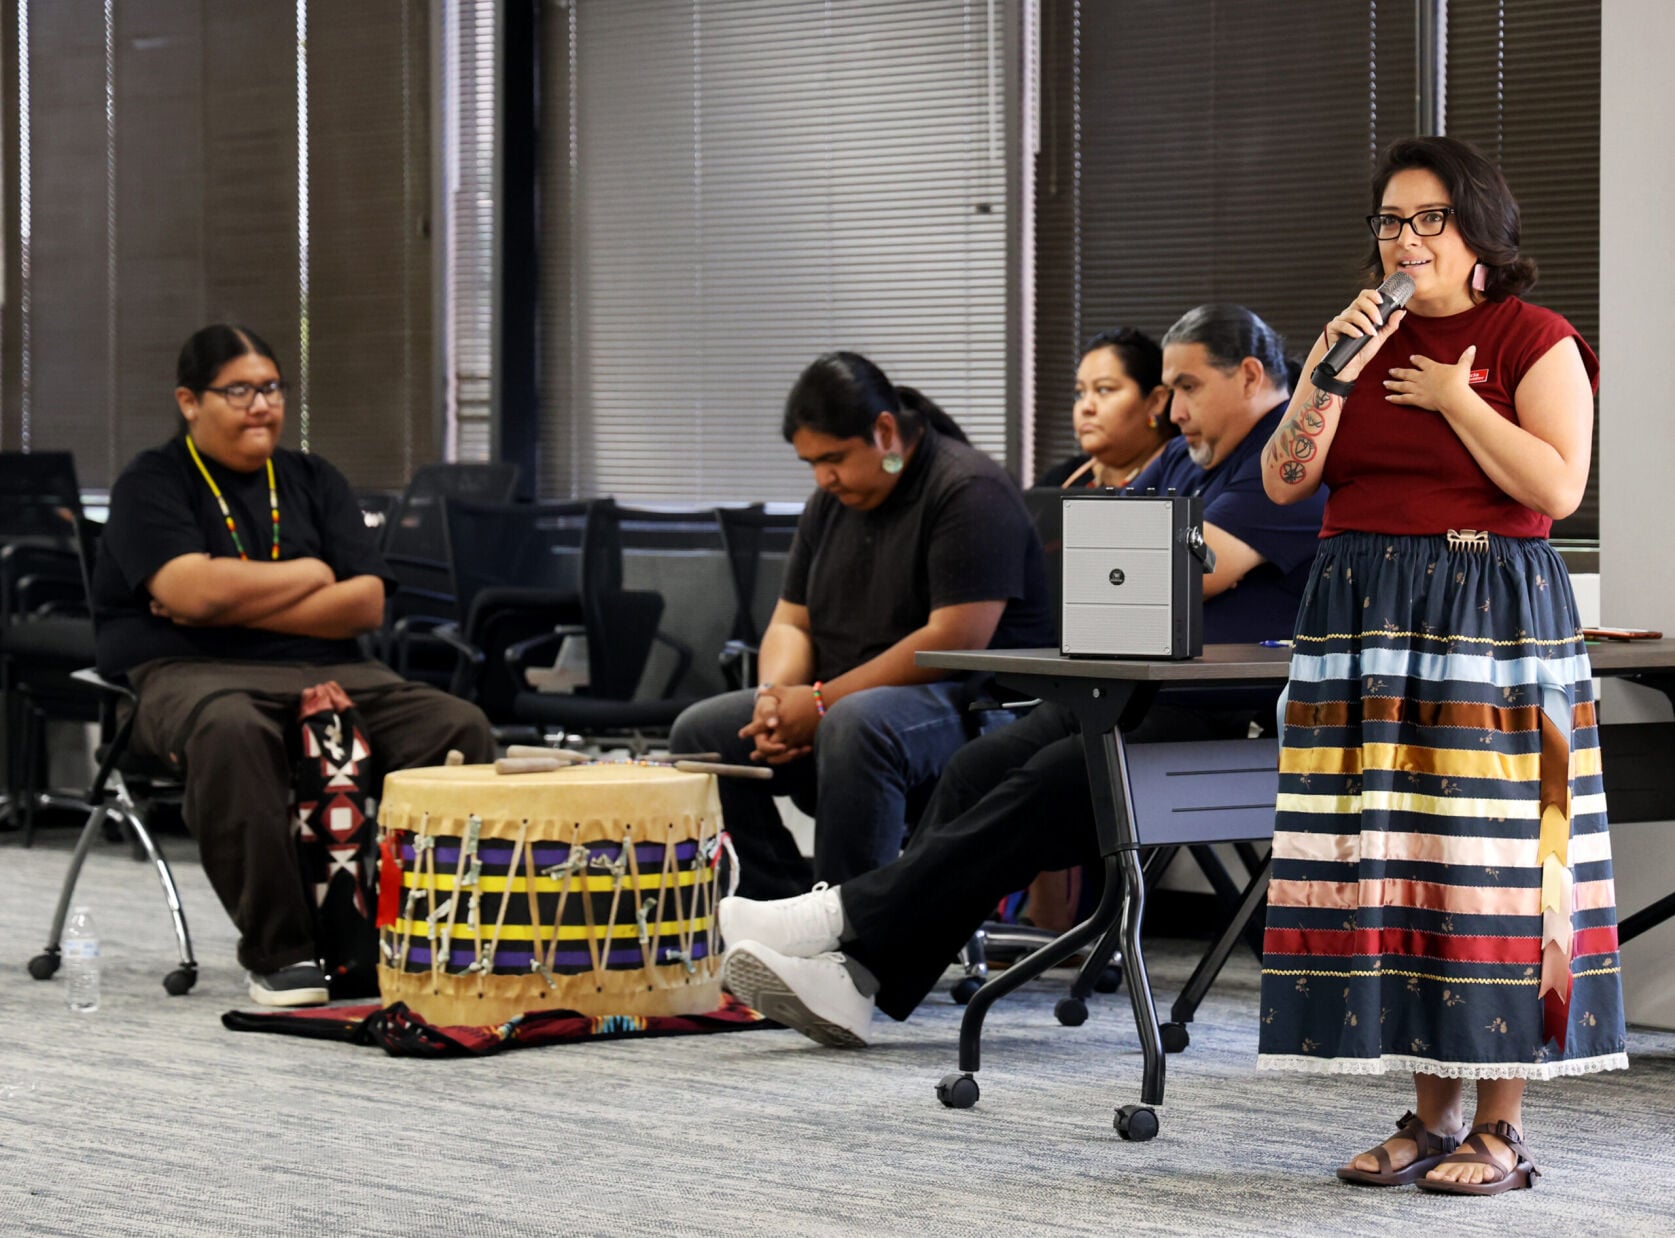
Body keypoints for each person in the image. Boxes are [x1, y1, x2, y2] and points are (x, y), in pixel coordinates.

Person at [717, 305, 1328, 1047]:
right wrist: (1127, 561)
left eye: (1186, 388)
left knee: (1043, 789)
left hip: (1222, 720)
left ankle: (838, 920)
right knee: (977, 770)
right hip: (1125, 693)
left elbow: (1181, 574)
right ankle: (856, 980)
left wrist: (1132, 561)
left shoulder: (1290, 458)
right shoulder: (1185, 458)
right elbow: (1106, 561)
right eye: (1166, 390)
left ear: (1252, 377)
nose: (1171, 410)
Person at [1256, 136, 1624, 1195]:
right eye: (1388, 220)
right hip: (1364, 619)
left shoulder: (1534, 337)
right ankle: (1430, 1114)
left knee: (1500, 869)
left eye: (1427, 220)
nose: (1404, 240)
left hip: (1493, 617)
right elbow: (1287, 481)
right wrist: (1328, 371)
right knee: (1394, 856)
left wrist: (1460, 399)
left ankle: (1501, 1128)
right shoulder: (1354, 342)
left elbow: (1553, 488)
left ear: (1479, 236)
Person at [94, 324, 495, 1008]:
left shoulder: (314, 478)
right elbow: (188, 591)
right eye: (239, 390)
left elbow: (364, 603)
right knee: (230, 731)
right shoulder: (152, 482)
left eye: (272, 388)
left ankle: (442, 937)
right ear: (190, 401)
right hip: (190, 674)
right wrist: (307, 579)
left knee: (456, 726)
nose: (261, 405)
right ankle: (281, 950)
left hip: (337, 669)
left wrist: (229, 600)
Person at [669, 352, 1055, 901]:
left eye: (834, 458)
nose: (824, 477)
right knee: (702, 735)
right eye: (811, 463)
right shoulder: (830, 502)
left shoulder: (968, 488)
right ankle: (778, 912)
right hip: (852, 699)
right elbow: (790, 621)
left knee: (854, 724)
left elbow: (955, 639)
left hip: (971, 704)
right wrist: (777, 696)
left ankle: (850, 937)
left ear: (884, 431)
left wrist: (822, 702)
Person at [1038, 327, 1177, 489]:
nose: (1086, 407)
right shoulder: (1061, 480)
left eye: (1104, 389)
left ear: (1155, 402)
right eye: (1080, 393)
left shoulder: (1186, 479)